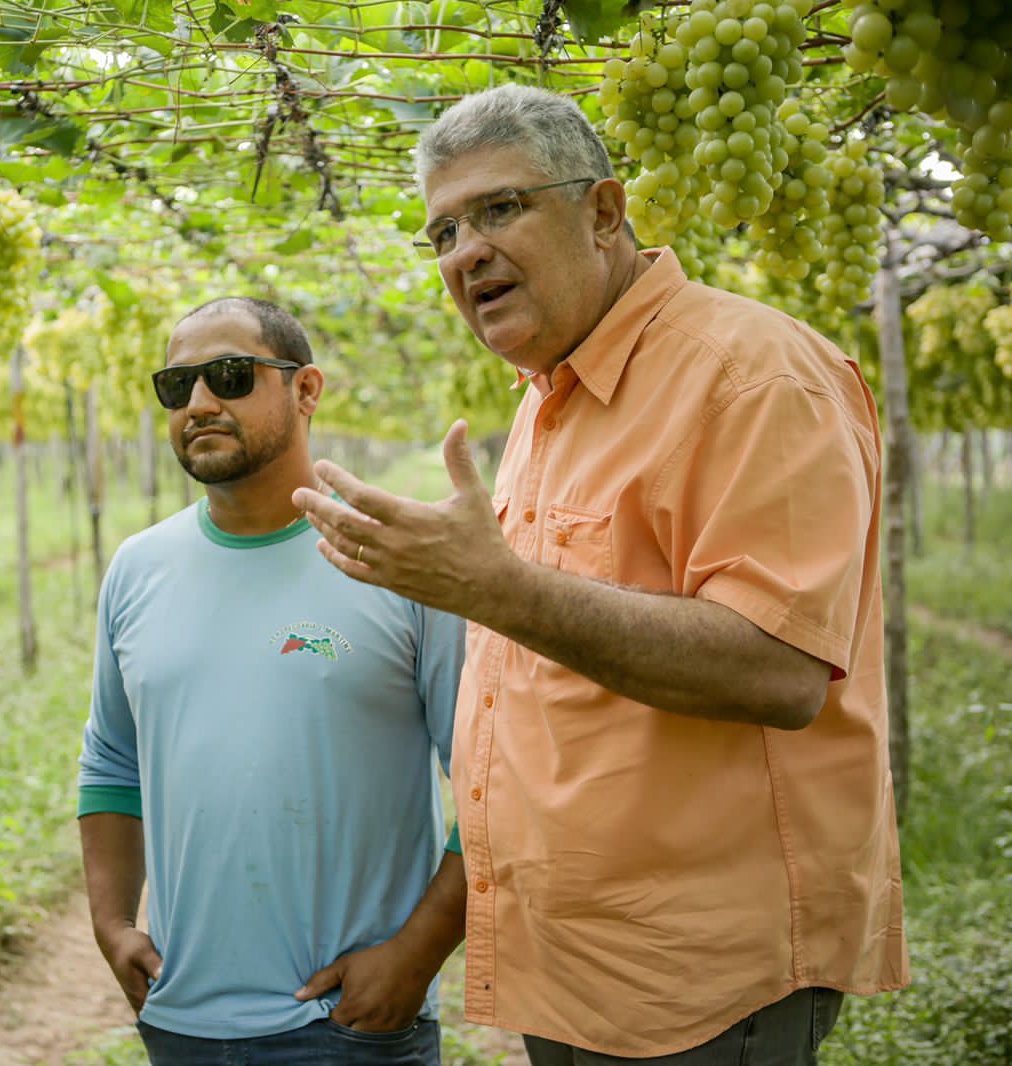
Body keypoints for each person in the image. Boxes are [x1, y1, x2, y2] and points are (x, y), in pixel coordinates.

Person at [293, 84, 909, 1065]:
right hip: (575, 957)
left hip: (700, 976)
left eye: (499, 208)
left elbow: (779, 667)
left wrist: (493, 589)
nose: (465, 252)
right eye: (444, 231)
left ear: (605, 213)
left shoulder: (753, 376)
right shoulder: (549, 397)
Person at [78, 297, 469, 1065]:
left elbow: (493, 782)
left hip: (349, 1028)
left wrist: (415, 958)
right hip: (180, 1021)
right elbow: (113, 764)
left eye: (229, 375)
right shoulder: (136, 569)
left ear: (306, 389)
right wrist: (111, 924)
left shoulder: (401, 563)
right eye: (177, 384)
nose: (199, 402)